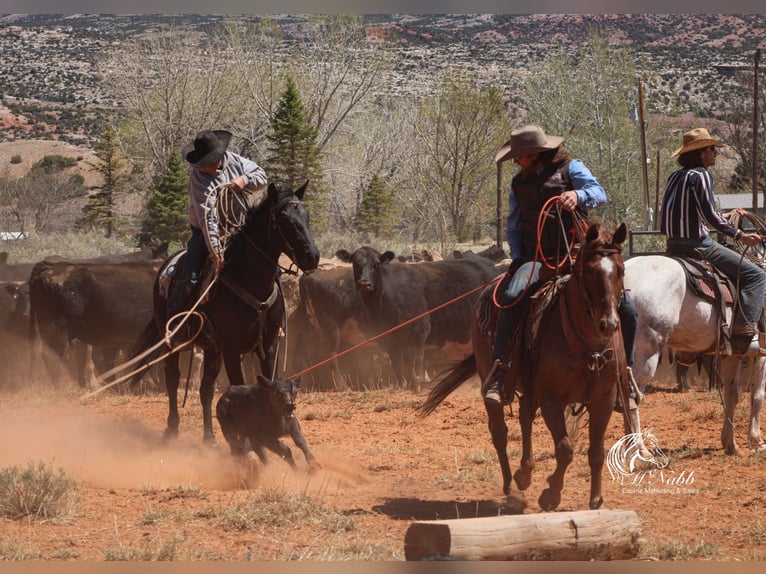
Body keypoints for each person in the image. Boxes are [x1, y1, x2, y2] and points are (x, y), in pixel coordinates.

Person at [483, 125, 639, 406]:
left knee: (627, 308)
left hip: (579, 255)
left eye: (519, 156)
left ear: (535, 153)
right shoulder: (519, 184)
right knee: (509, 298)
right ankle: (500, 370)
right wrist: (519, 257)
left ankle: (625, 374)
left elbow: (598, 192)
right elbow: (514, 224)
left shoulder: (571, 169)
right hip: (536, 258)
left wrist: (578, 196)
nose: (516, 161)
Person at [660, 127, 766, 356]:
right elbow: (709, 215)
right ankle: (745, 335)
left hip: (673, 245)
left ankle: (687, 353)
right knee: (756, 276)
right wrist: (741, 236)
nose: (715, 153)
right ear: (701, 153)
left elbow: (690, 213)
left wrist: (724, 217)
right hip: (698, 245)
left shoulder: (674, 176)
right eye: (712, 149)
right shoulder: (700, 175)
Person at [167, 129, 268, 319]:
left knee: (269, 268)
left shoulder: (235, 161)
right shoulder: (198, 179)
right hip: (205, 231)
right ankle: (174, 324)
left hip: (239, 227)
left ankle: (272, 318)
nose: (214, 164)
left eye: (215, 159)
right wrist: (216, 253)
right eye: (208, 162)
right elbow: (207, 218)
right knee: (189, 276)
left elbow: (261, 176)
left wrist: (244, 179)